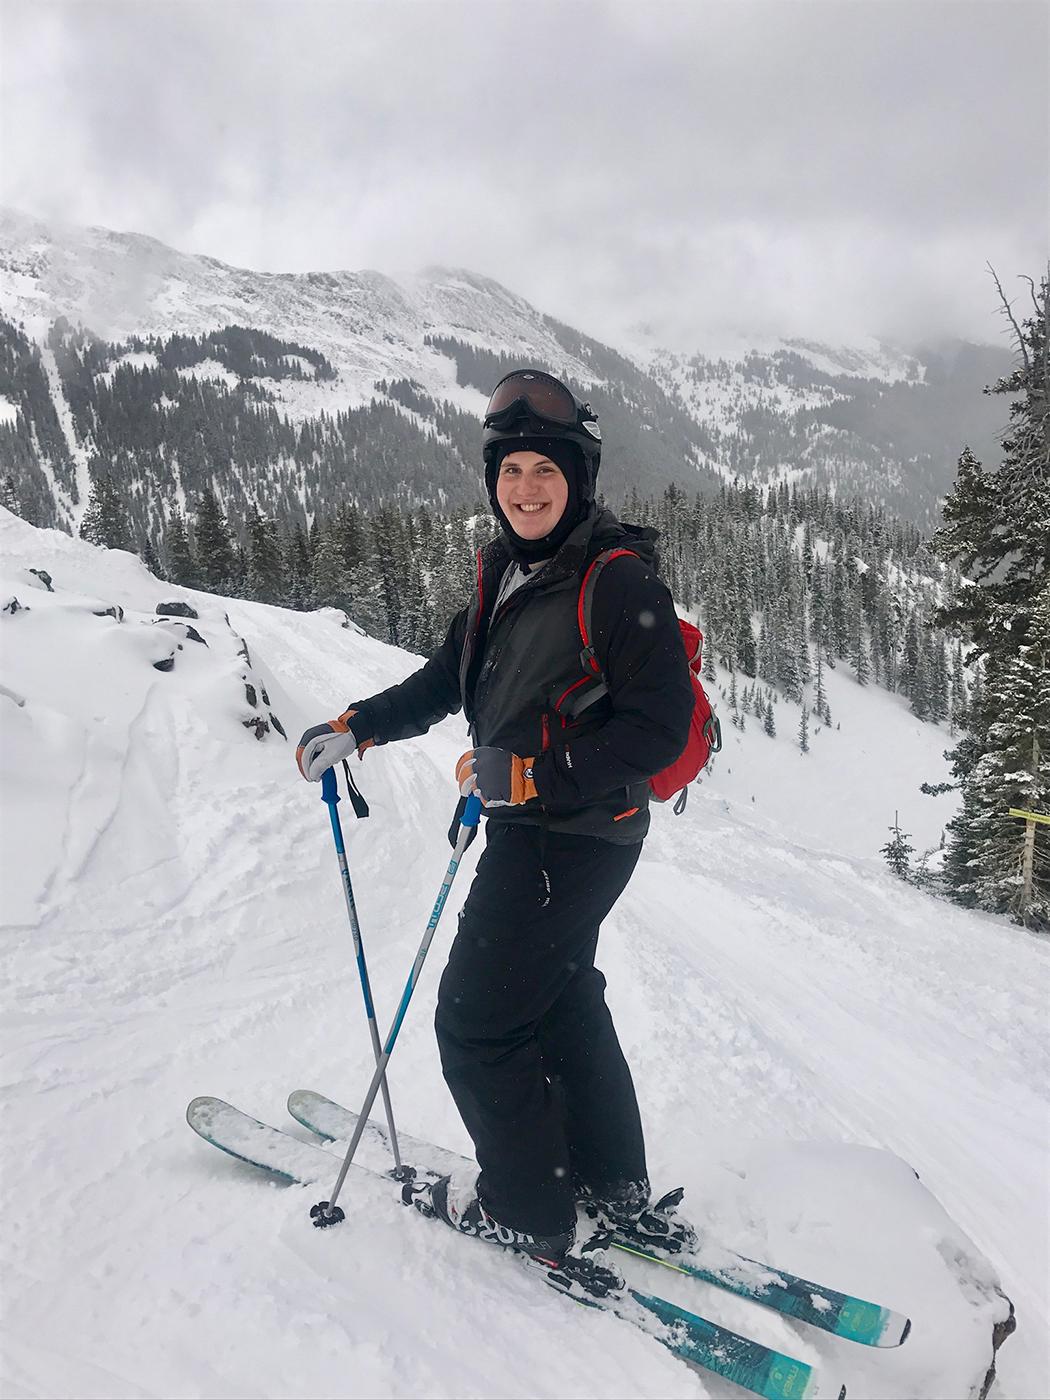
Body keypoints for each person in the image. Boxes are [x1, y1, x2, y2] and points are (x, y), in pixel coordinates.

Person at [296, 369, 695, 1270]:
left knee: (476, 1023)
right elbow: (449, 680)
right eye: (511, 471)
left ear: (577, 479)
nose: (526, 489)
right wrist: (358, 726)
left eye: (544, 472)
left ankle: (527, 1209)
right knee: (558, 1001)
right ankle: (608, 1181)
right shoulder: (502, 572)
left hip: (572, 834)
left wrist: (532, 774)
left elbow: (659, 728)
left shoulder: (616, 581)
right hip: (544, 828)